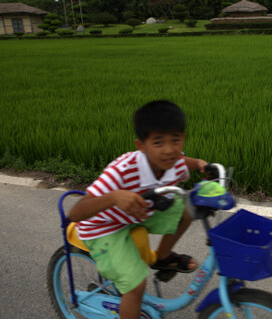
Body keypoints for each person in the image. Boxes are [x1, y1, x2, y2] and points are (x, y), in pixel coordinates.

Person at [68, 100, 208, 319]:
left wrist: (200, 164)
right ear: (141, 145)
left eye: (176, 140)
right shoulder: (122, 170)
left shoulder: (174, 162)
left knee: (187, 207)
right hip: (104, 227)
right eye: (158, 142)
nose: (169, 150)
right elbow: (75, 213)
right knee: (135, 286)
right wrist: (114, 197)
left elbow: (184, 161)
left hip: (137, 213)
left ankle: (162, 257)